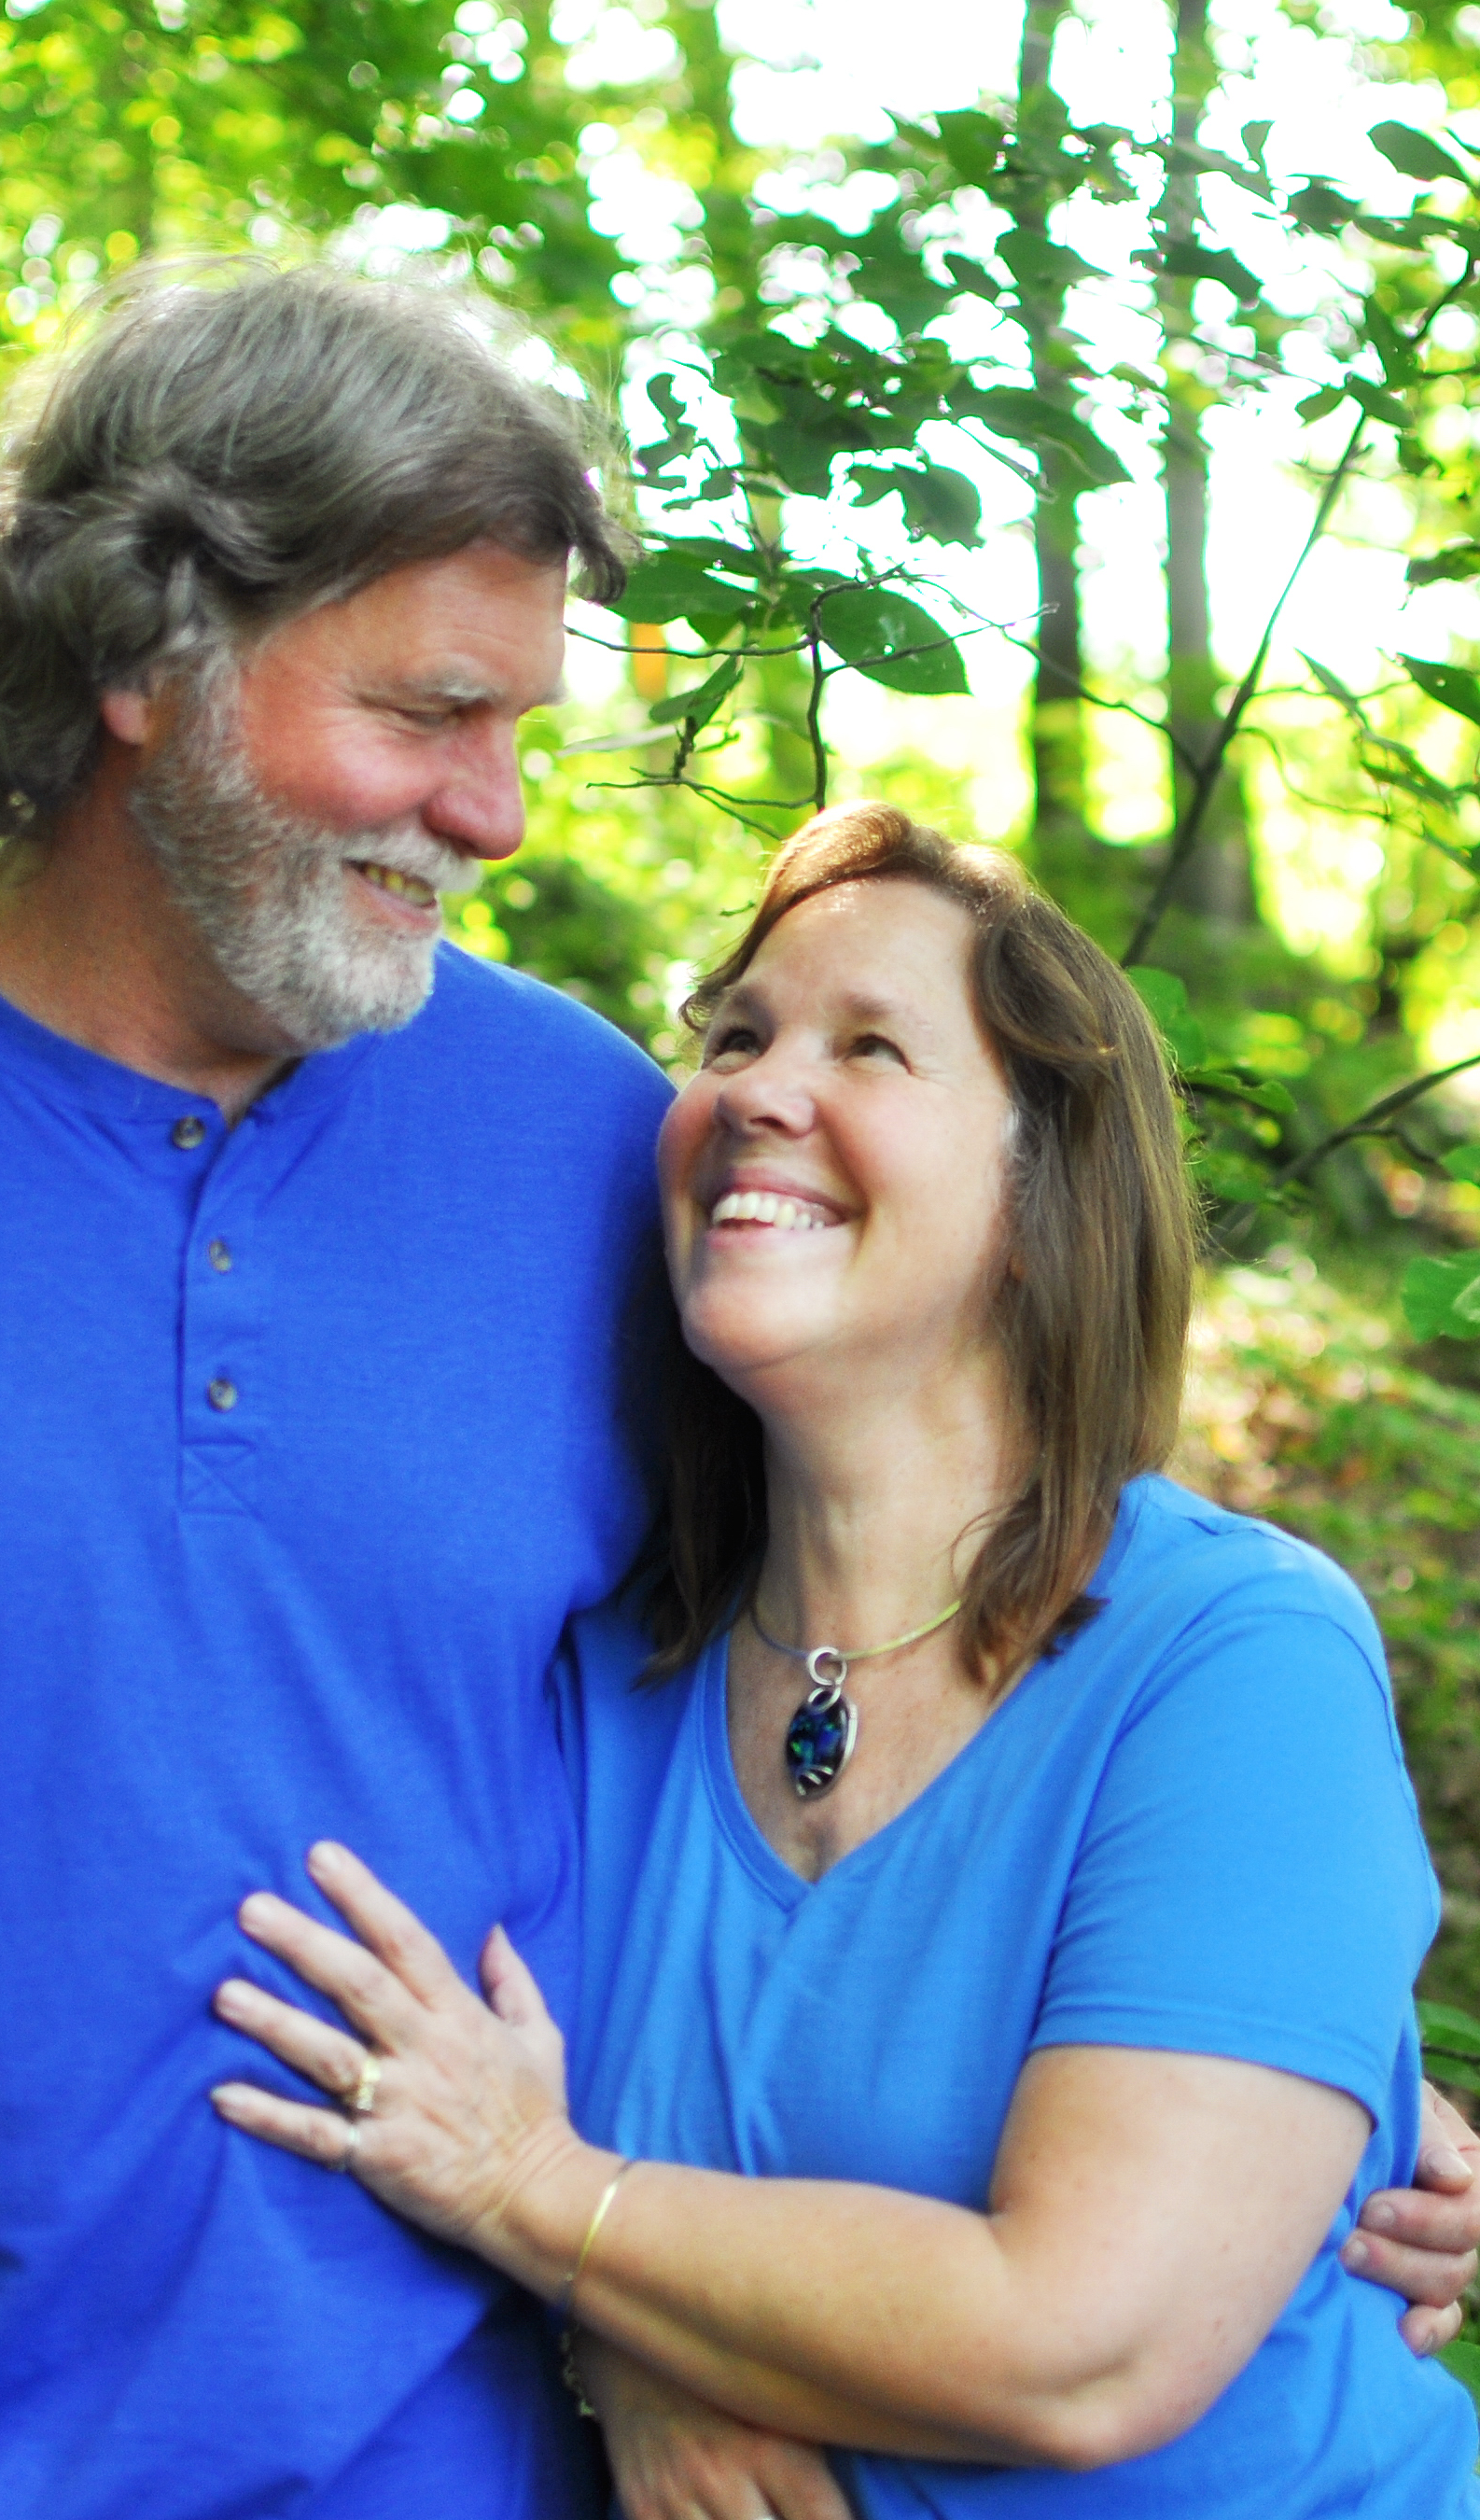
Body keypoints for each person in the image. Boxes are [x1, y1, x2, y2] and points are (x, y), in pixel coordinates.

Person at [0, 267, 1466, 2520]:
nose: (497, 816)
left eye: (522, 724)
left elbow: (935, 1649)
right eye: (431, 711)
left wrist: (1304, 2086)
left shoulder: (596, 1151)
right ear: (143, 653)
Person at [209, 803, 1480, 2520]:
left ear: (1041, 1199)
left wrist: (540, 2198)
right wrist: (624, 2348)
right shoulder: (592, 1683)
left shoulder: (1233, 1662)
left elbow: (1087, 2342)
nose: (757, 1090)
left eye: (869, 1046)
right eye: (735, 1037)